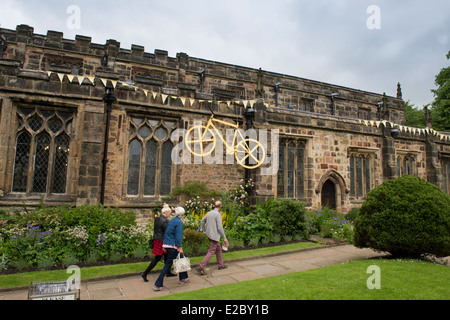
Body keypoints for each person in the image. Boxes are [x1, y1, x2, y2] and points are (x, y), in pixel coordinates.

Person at [153, 207, 190, 291]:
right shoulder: (179, 222)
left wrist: (164, 245)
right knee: (168, 264)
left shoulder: (172, 221)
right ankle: (157, 284)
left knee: (181, 259)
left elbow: (166, 233)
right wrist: (180, 247)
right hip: (173, 246)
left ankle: (183, 277)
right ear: (182, 214)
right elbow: (178, 236)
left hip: (168, 245)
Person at [141, 204, 176, 282]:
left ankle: (168, 272)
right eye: (169, 213)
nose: (170, 214)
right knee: (157, 258)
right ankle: (145, 273)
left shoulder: (158, 219)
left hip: (157, 239)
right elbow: (167, 233)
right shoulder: (164, 221)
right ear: (166, 212)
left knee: (167, 257)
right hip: (161, 241)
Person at [196, 201, 229, 275]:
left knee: (219, 249)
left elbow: (202, 221)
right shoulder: (217, 214)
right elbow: (220, 228)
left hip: (209, 235)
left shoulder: (209, 212)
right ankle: (201, 267)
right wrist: (224, 238)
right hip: (214, 236)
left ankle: (221, 265)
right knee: (211, 252)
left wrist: (204, 230)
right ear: (220, 206)